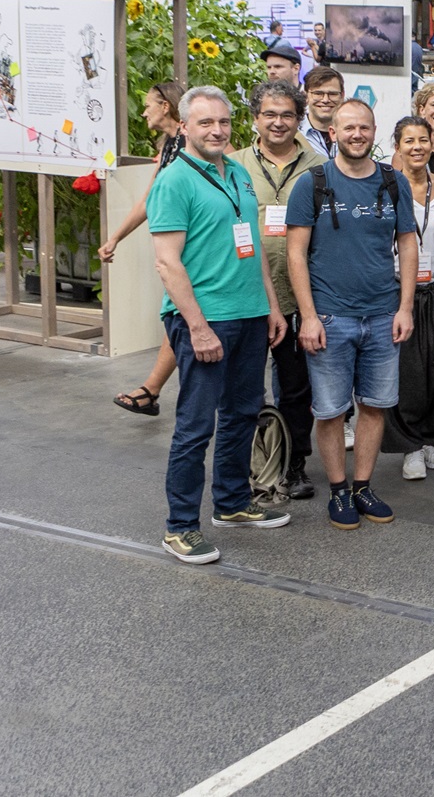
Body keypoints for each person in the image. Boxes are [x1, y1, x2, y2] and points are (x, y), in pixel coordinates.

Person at [152, 87, 291, 564]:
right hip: (206, 319)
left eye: (223, 122)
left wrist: (270, 306)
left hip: (249, 314)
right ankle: (180, 527)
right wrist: (197, 327)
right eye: (205, 122)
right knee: (196, 426)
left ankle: (231, 503)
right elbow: (168, 263)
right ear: (184, 127)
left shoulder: (237, 173)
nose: (216, 130)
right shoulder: (175, 180)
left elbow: (251, 245)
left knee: (242, 414)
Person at [287, 98, 417, 530]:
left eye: (364, 127)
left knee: (374, 406)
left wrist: (405, 307)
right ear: (333, 133)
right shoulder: (312, 184)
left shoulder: (394, 182)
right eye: (348, 128)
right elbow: (295, 253)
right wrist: (308, 316)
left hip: (382, 314)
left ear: (374, 131)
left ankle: (362, 486)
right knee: (329, 411)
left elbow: (408, 245)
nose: (356, 135)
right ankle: (339, 490)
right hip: (329, 317)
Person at [229, 80, 325, 499]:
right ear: (255, 118)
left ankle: (294, 465)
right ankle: (249, 468)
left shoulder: (318, 165)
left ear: (299, 118)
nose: (278, 122)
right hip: (247, 292)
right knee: (245, 387)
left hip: (300, 292)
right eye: (269, 114)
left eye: (287, 114)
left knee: (296, 387)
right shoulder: (233, 165)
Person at [383, 117, 434, 483]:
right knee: (407, 372)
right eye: (409, 141)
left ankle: (431, 439)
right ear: (397, 146)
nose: (417, 147)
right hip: (400, 289)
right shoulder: (386, 188)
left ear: (433, 145)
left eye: (423, 140)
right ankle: (409, 446)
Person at [106, 80, 188, 416]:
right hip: (178, 244)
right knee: (179, 315)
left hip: (193, 244)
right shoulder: (170, 145)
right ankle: (151, 390)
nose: (143, 112)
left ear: (165, 106)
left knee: (181, 315)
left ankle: (152, 390)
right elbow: (149, 199)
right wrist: (116, 237)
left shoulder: (193, 141)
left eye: (148, 105)